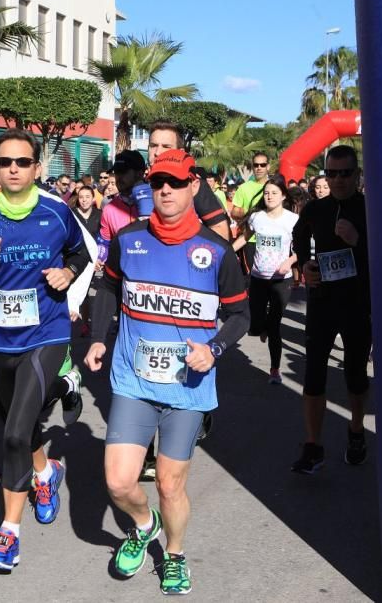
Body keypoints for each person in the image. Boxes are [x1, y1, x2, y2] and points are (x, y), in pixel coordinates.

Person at [84, 149, 249, 596]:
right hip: (134, 381)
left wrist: (213, 349)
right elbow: (108, 286)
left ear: (193, 186)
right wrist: (99, 336)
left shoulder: (214, 251)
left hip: (187, 386)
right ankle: (143, 525)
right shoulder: (131, 238)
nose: (166, 191)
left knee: (171, 486)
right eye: (159, 183)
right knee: (120, 482)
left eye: (175, 183)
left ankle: (174, 554)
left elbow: (240, 316)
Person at [0, 128, 90, 571]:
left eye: (23, 162)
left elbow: (81, 255)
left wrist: (67, 275)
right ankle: (47, 473)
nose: (14, 169)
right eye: (6, 162)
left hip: (45, 333)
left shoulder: (56, 211)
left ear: (37, 168)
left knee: (11, 433)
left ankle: (7, 535)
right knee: (22, 424)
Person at [290, 145, 371, 473]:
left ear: (357, 175)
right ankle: (313, 446)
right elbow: (298, 240)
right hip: (322, 301)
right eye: (331, 173)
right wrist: (306, 268)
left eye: (345, 173)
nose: (337, 180)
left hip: (357, 303)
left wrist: (358, 240)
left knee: (354, 373)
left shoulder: (369, 209)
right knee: (314, 374)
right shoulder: (314, 210)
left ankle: (355, 428)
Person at [232, 175, 299, 384]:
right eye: (267, 193)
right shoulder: (257, 217)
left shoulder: (292, 219)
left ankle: (274, 370)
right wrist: (226, 252)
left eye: (274, 193)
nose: (269, 196)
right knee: (257, 322)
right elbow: (245, 237)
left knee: (275, 325)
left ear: (283, 196)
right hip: (259, 277)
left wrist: (290, 261)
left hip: (281, 279)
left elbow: (302, 248)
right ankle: (262, 328)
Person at [147, 121, 230, 240]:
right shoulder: (137, 182)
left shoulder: (193, 184)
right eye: (153, 145)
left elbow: (220, 229)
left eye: (166, 146)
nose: (157, 152)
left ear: (180, 152)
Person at [231, 152, 272, 271]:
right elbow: (234, 212)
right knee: (252, 277)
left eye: (262, 165)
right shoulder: (244, 188)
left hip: (271, 239)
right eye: (256, 165)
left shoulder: (274, 186)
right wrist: (249, 214)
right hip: (250, 239)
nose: (259, 168)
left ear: (268, 166)